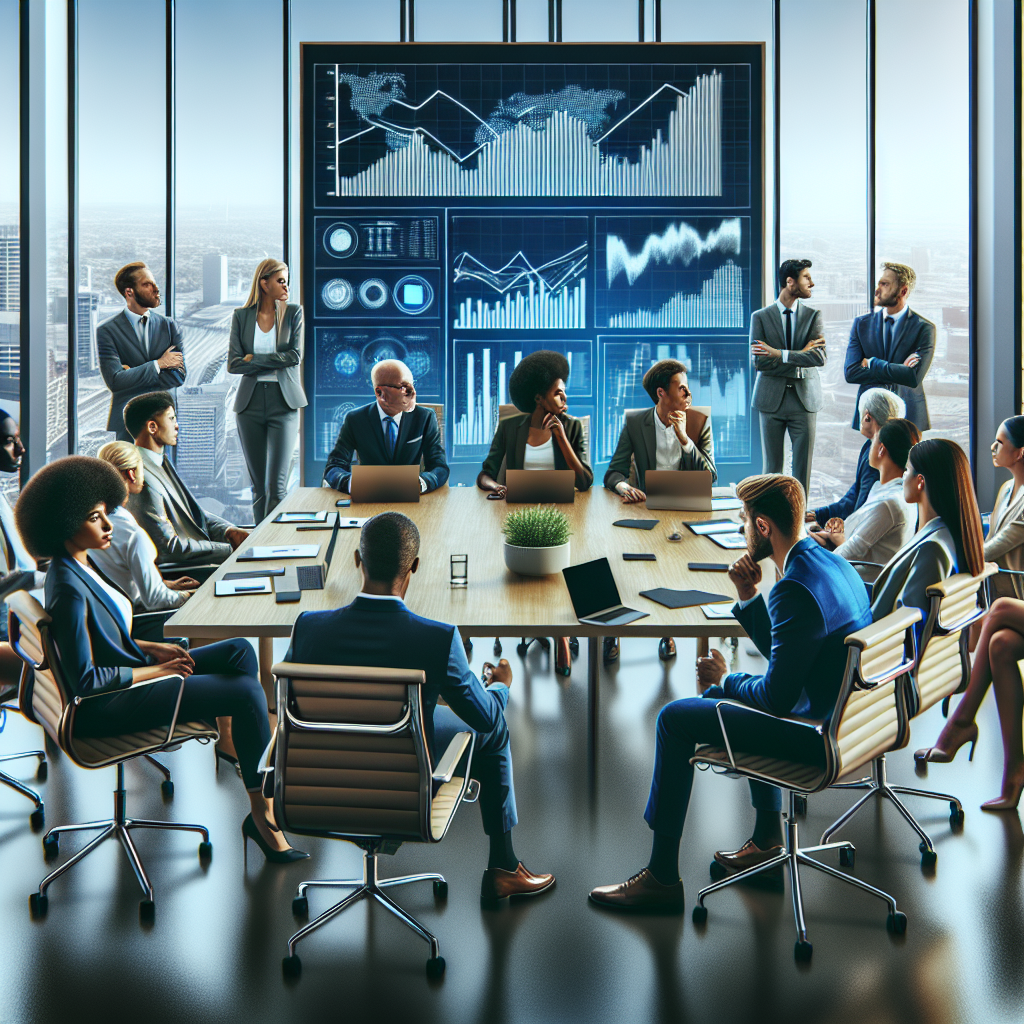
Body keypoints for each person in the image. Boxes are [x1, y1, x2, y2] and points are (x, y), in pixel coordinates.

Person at [589, 475, 871, 910]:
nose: (741, 528)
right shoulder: (833, 564)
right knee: (724, 699)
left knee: (675, 718)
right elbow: (792, 658)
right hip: (847, 724)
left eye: (743, 520)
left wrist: (725, 679)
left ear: (762, 527)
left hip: (814, 735)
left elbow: (777, 698)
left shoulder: (793, 588)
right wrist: (748, 597)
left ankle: (662, 877)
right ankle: (766, 838)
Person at [14, 456, 305, 863]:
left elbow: (105, 634)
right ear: (64, 525)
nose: (108, 526)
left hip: (130, 672)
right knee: (243, 691)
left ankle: (244, 754)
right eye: (95, 518)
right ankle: (263, 814)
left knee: (239, 649)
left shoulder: (81, 566)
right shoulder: (68, 588)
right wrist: (158, 669)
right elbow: (86, 681)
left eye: (106, 514)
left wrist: (153, 647)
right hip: (107, 706)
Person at [285, 511, 554, 901]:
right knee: (493, 732)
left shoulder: (308, 628)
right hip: (403, 795)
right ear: (414, 567)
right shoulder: (438, 640)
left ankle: (506, 868)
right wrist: (500, 687)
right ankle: (504, 867)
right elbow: (487, 718)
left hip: (318, 793)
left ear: (357, 561)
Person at [477, 350, 593, 675]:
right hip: (519, 515)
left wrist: (561, 438)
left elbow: (584, 482)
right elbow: (484, 473)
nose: (565, 396)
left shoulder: (571, 427)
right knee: (529, 574)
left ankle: (562, 634)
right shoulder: (511, 427)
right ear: (540, 398)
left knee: (564, 567)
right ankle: (541, 623)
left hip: (563, 514)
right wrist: (494, 487)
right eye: (558, 392)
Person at [603, 357, 716, 663]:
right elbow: (612, 472)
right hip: (643, 509)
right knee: (620, 564)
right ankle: (613, 630)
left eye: (688, 389)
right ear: (661, 394)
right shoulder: (635, 423)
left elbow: (710, 478)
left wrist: (684, 440)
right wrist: (624, 487)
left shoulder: (698, 423)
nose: (689, 395)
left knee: (676, 568)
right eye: (682, 389)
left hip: (683, 511)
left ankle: (668, 632)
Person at [124, 391, 249, 570]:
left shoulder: (160, 461)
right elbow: (168, 548)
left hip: (199, 557)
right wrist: (229, 549)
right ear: (152, 427)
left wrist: (228, 531)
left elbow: (192, 515)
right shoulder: (141, 478)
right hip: (186, 569)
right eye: (172, 419)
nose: (177, 426)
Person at [868, 438, 984, 629]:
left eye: (906, 470)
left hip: (872, 646)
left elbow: (908, 622)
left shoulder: (932, 549)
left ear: (920, 481)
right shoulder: (949, 535)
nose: (903, 477)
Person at [92, 441, 198, 642]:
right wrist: (190, 596)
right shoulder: (130, 532)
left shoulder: (93, 523)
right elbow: (155, 600)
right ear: (132, 473)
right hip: (137, 626)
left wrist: (166, 584)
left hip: (108, 623)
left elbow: (117, 578)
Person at [228, 259, 307, 525]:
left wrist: (254, 360)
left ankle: (277, 541)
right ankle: (259, 545)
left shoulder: (294, 313)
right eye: (281, 280)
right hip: (248, 405)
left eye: (286, 280)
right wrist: (270, 358)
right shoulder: (241, 316)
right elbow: (233, 363)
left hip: (283, 402)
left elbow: (295, 356)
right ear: (264, 283)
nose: (286, 286)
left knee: (278, 487)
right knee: (258, 487)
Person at [749, 258, 827, 496]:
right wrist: (799, 355)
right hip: (770, 400)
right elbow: (760, 362)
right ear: (790, 282)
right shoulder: (760, 317)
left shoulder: (814, 316)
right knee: (771, 470)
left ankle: (798, 521)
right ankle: (768, 520)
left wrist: (779, 354)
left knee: (802, 470)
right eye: (806, 277)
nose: (812, 283)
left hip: (805, 401)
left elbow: (818, 358)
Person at [809, 418, 920, 577]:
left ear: (881, 449)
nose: (869, 446)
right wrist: (824, 537)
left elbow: (849, 553)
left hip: (859, 582)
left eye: (873, 441)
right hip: (853, 569)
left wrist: (812, 551)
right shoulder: (885, 490)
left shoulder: (889, 504)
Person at [323, 359, 448, 494]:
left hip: (411, 497)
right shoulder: (355, 419)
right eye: (403, 387)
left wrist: (422, 482)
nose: (412, 394)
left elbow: (439, 467)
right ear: (379, 393)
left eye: (412, 386)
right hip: (368, 497)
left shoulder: (425, 417)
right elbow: (333, 467)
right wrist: (352, 483)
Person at [97, 262, 186, 443]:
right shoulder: (107, 331)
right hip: (126, 424)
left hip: (163, 425)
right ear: (129, 292)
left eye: (154, 283)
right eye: (147, 284)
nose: (156, 288)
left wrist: (132, 373)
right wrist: (159, 364)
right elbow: (115, 381)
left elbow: (178, 377)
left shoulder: (169, 326)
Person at [844, 262, 935, 432]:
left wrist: (872, 363)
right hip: (870, 413)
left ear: (903, 291)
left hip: (908, 415)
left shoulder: (924, 328)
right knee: (870, 457)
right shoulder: (861, 324)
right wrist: (900, 370)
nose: (877, 289)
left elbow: (914, 377)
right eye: (878, 283)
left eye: (884, 284)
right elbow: (851, 373)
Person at [807, 388, 906, 528]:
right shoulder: (870, 447)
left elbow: (861, 512)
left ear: (867, 416)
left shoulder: (876, 458)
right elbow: (853, 497)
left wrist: (828, 535)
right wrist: (816, 514)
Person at [982, 416, 1024, 599]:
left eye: (999, 442)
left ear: (1019, 453)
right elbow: (991, 537)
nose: (993, 447)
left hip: (1016, 594)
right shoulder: (1006, 488)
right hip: (993, 588)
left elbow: (998, 545)